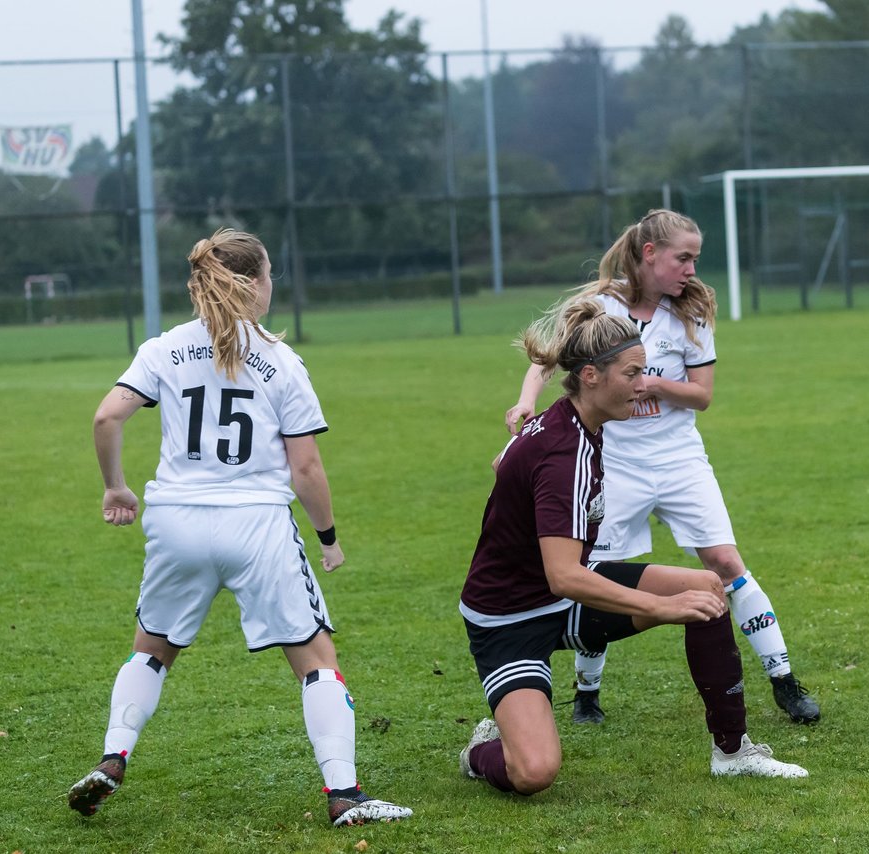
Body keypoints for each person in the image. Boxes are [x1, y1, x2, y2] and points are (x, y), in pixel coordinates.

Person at [67, 229, 412, 828]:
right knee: (316, 660)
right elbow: (305, 467)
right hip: (256, 524)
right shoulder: (280, 359)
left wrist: (116, 486)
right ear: (253, 284)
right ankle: (346, 796)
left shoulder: (164, 349)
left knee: (152, 651)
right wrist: (328, 539)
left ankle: (112, 758)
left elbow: (107, 416)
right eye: (271, 274)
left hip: (175, 520)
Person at [460, 297, 807, 794]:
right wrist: (662, 608)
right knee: (534, 772)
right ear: (591, 376)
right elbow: (565, 576)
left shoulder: (582, 423)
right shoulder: (565, 453)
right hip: (509, 618)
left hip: (563, 599)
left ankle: (733, 753)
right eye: (632, 373)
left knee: (706, 590)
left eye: (644, 371)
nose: (644, 385)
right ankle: (479, 751)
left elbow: (508, 470)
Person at [504, 210, 820, 726]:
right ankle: (586, 694)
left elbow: (702, 397)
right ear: (650, 255)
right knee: (594, 570)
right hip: (614, 461)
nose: (692, 270)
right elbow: (549, 357)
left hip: (678, 461)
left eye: (695, 259)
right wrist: (524, 401)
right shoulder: (599, 306)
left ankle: (784, 679)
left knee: (724, 561)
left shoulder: (690, 315)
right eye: (684, 258)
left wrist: (655, 385)